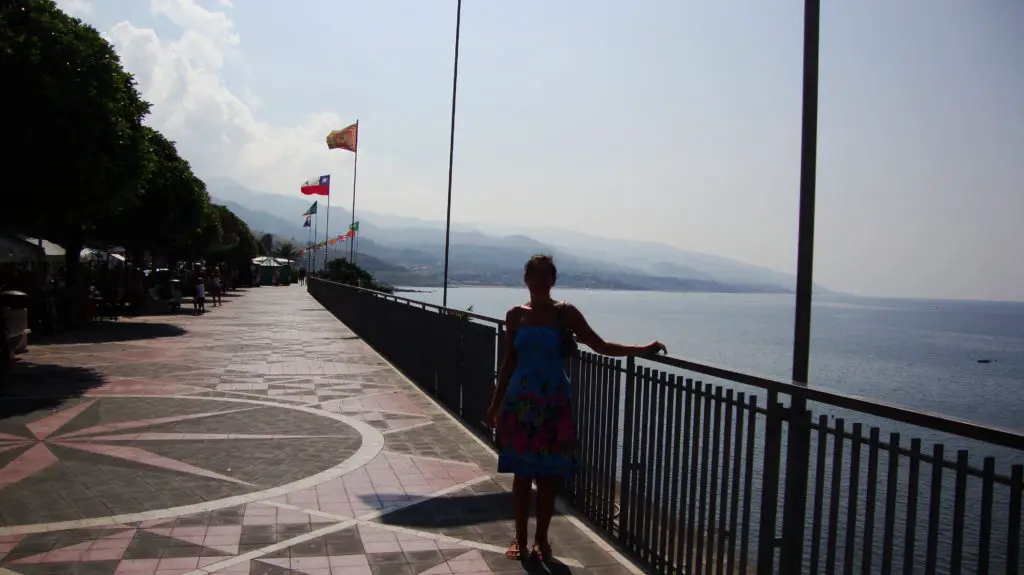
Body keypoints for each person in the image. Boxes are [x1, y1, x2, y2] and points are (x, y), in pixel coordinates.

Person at [484, 255, 666, 563]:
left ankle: (541, 538)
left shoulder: (564, 313)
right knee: (521, 473)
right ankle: (521, 536)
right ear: (525, 279)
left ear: (553, 280)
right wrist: (495, 405)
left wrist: (641, 349)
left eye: (545, 276)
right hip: (521, 402)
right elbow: (508, 364)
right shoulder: (515, 316)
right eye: (534, 275)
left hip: (553, 403)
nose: (539, 281)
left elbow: (600, 345)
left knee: (546, 476)